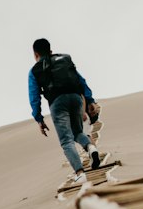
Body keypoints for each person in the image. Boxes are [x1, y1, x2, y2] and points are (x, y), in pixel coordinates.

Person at [29, 38, 105, 183]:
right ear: (50, 50)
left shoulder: (35, 70)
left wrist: (39, 119)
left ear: (35, 54)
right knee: (77, 132)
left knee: (66, 140)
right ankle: (91, 148)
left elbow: (34, 96)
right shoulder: (65, 58)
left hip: (57, 102)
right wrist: (89, 100)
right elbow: (80, 80)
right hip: (76, 98)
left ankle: (80, 173)